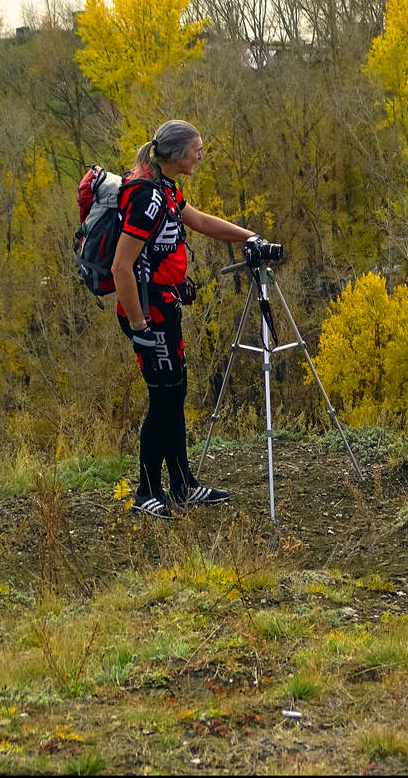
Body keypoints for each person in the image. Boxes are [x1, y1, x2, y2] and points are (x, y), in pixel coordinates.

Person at [111, 119, 271, 519]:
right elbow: (120, 267)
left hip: (165, 307)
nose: (201, 154)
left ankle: (182, 484)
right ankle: (148, 491)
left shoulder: (165, 188)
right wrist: (139, 327)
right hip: (148, 314)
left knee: (175, 395)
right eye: (197, 149)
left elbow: (198, 221)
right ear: (179, 155)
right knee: (162, 399)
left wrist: (249, 237)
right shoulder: (147, 198)